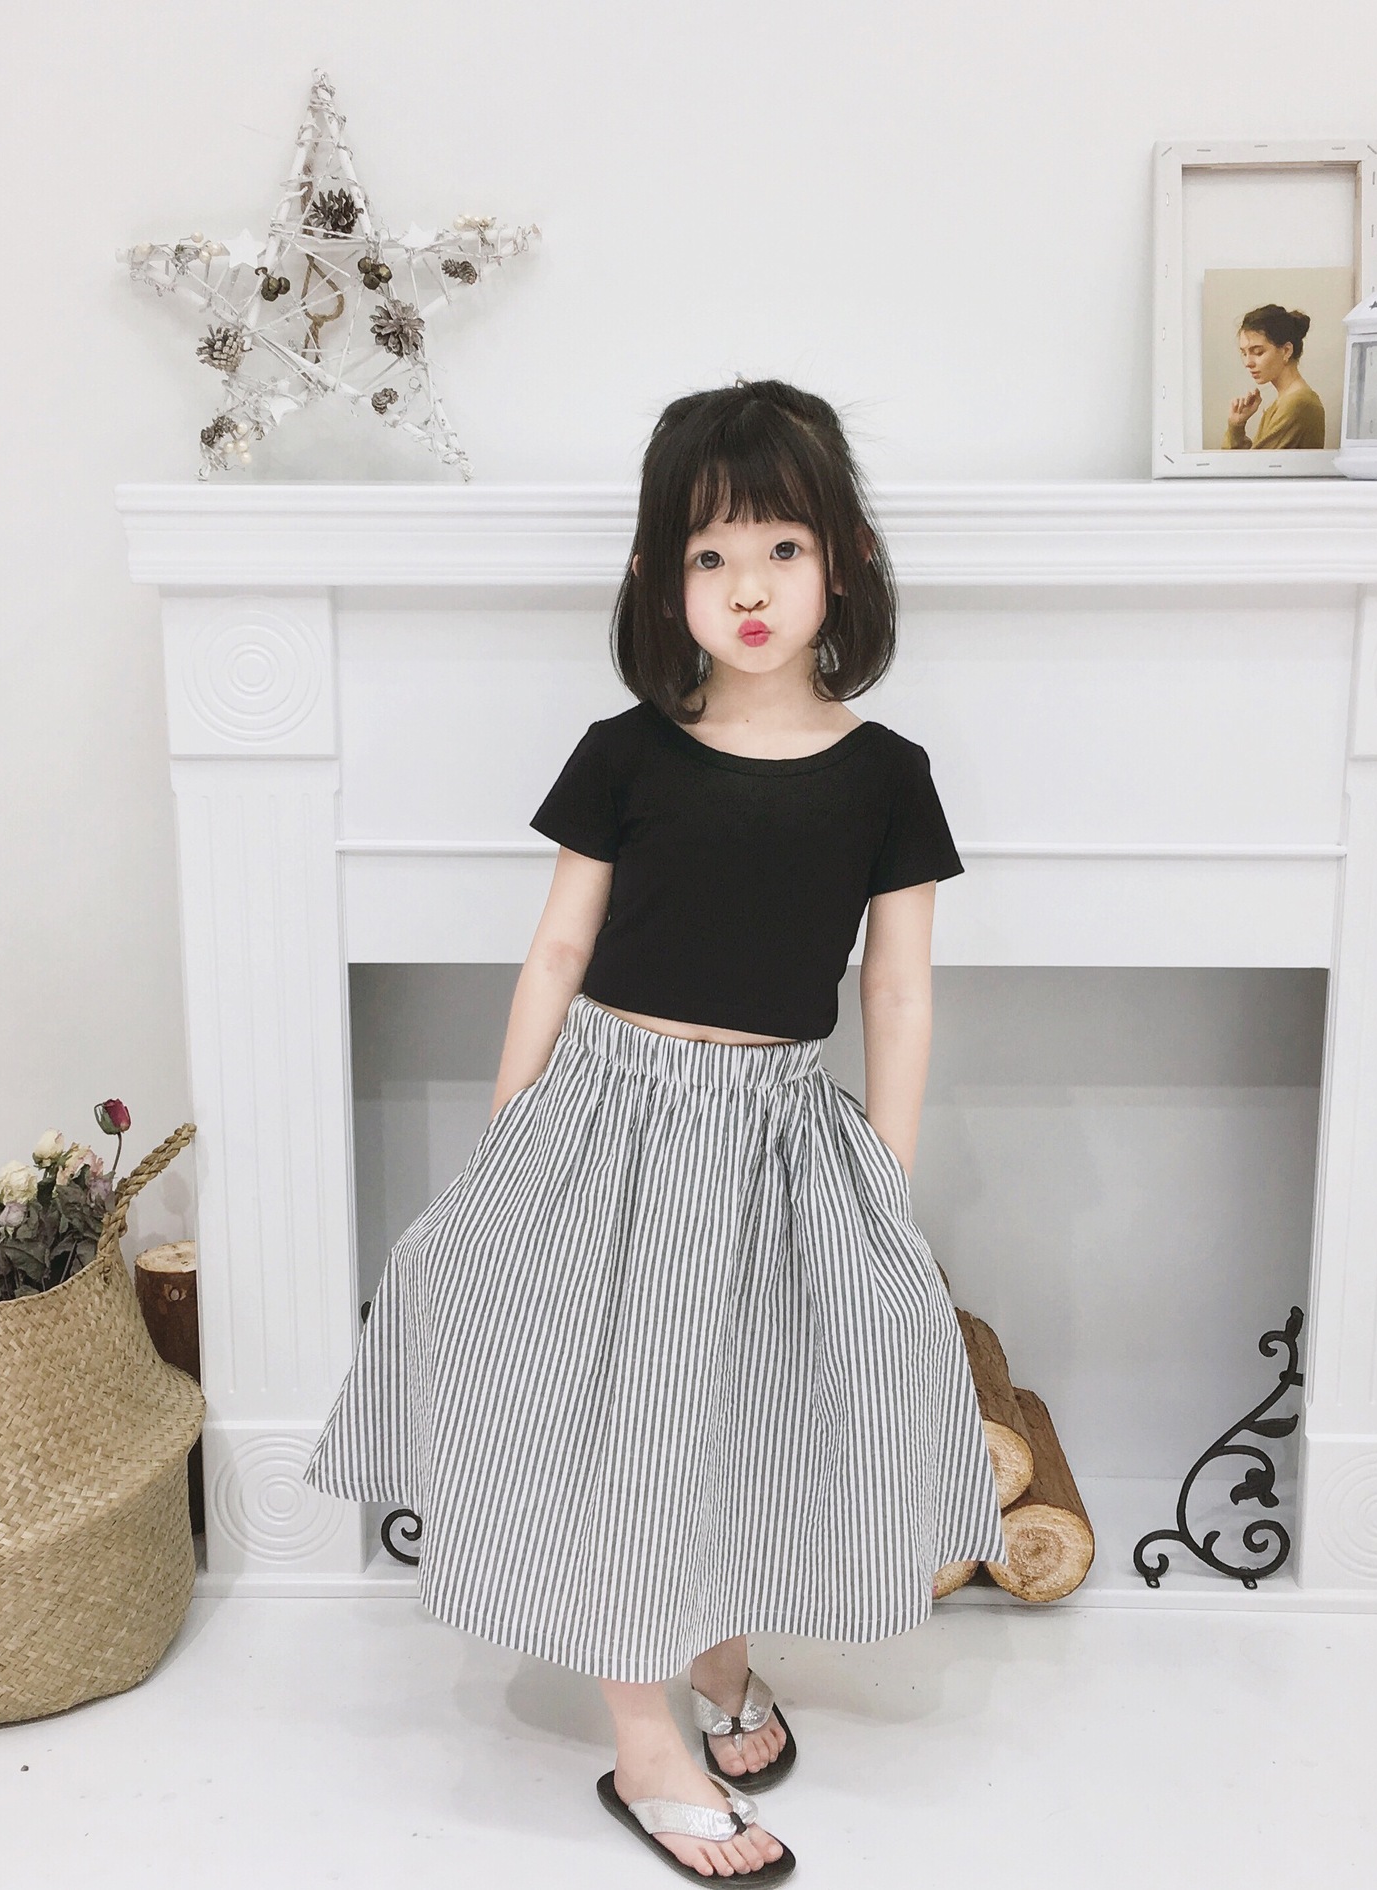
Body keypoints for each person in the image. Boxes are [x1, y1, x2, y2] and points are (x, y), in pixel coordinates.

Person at [304, 378, 1006, 1884]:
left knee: (741, 1406)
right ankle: (644, 1737)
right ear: (656, 578)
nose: (748, 588)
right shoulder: (626, 754)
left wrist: (884, 1171)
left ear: (844, 562)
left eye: (781, 548)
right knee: (624, 1422)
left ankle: (717, 1647)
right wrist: (513, 1126)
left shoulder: (887, 776)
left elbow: (896, 988)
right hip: (610, 1120)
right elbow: (558, 949)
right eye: (709, 556)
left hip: (778, 1138)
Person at [1225, 303, 1327, 450]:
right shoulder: (1286, 401)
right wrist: (1236, 426)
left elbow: (1253, 463)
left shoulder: (1298, 404)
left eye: (1258, 352)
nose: (1248, 363)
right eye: (1244, 353)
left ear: (1286, 351)